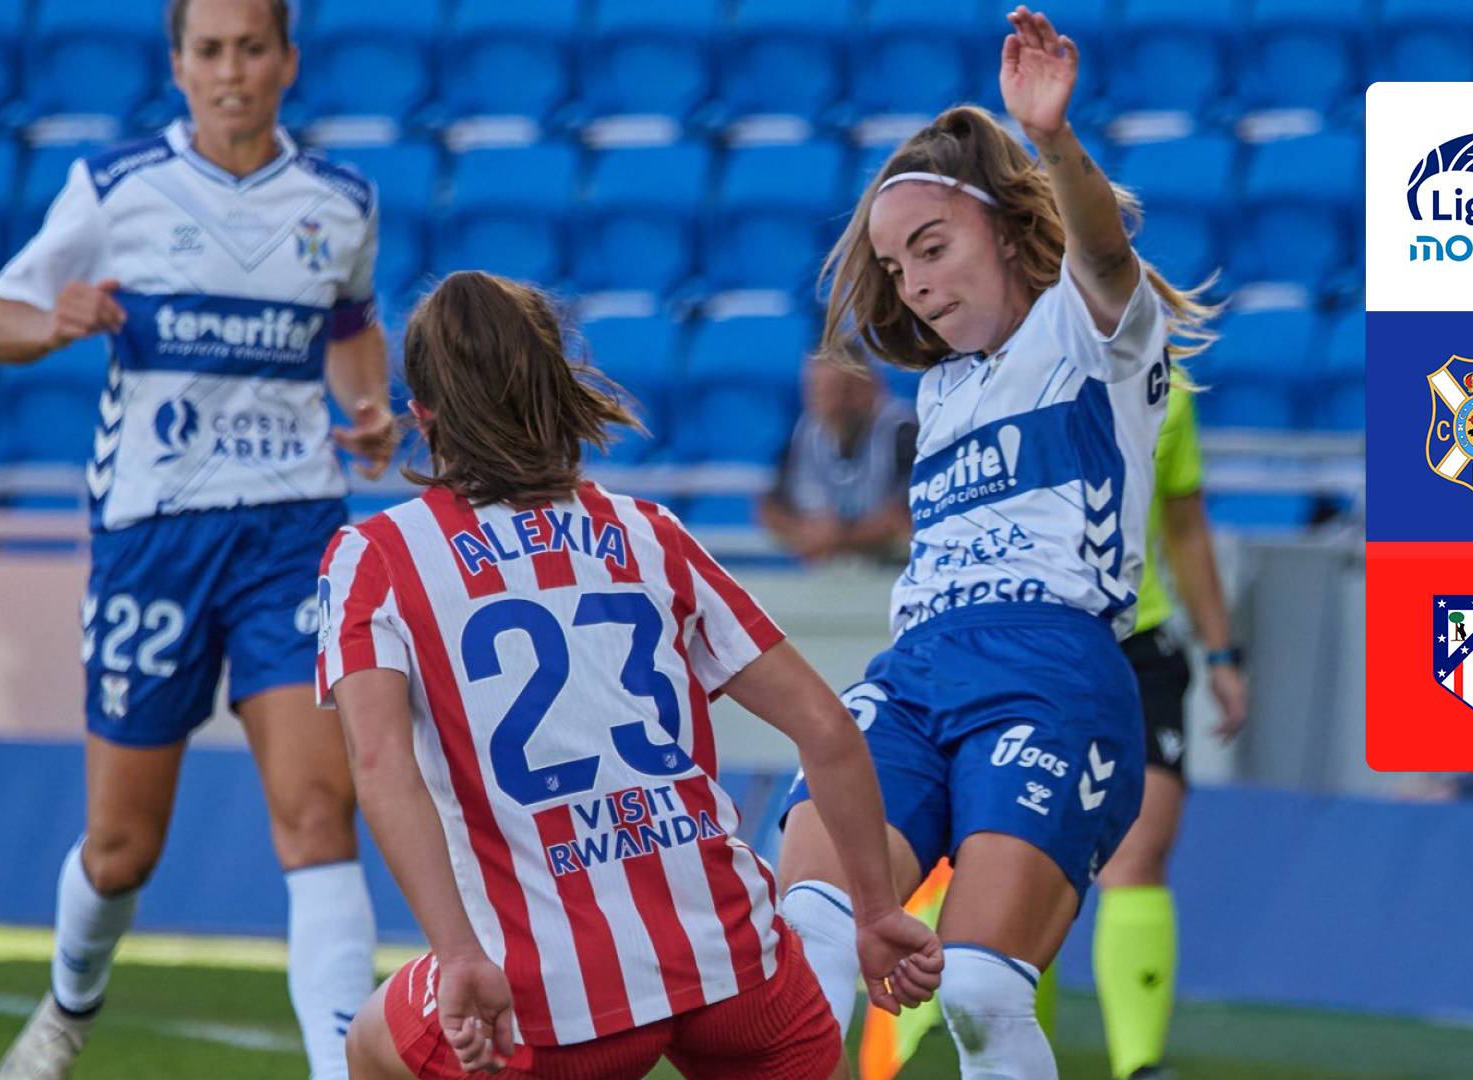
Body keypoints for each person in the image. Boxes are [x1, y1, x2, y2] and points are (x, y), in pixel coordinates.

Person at [323, 271, 942, 1080]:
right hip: (727, 957)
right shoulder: (650, 532)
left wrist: (460, 953)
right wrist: (877, 911)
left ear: (423, 412)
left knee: (369, 1047)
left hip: (543, 994)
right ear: (559, 387)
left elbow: (381, 766)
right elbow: (828, 729)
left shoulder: (376, 556)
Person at [773, 9, 1218, 1079]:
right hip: (916, 671)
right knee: (803, 940)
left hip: (1053, 674)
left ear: (1010, 234)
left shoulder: (1090, 330)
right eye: (897, 266)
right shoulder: (937, 391)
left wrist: (1051, 140)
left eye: (933, 247)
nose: (916, 282)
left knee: (977, 990)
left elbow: (1101, 248)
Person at [0, 2, 396, 1077]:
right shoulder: (114, 187)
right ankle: (70, 1003)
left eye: (251, 48)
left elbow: (350, 325)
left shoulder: (342, 202)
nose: (231, 71)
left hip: (294, 532)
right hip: (153, 537)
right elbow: (3, 319)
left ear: (287, 62)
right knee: (123, 851)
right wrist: (56, 321)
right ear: (178, 66)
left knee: (319, 811)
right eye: (209, 50)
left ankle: (341, 1066)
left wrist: (368, 411)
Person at [1091, 382, 1247, 1080]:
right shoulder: (1012, 361)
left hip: (1141, 647)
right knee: (1024, 862)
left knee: (1140, 852)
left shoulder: (1169, 390)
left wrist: (1222, 654)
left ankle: (1139, 1064)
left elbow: (1185, 526)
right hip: (1040, 643)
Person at [759, 348, 916, 564]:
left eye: (844, 390)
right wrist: (801, 532)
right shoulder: (805, 433)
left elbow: (905, 518)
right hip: (826, 568)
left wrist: (837, 539)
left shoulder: (905, 434)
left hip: (896, 568)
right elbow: (770, 507)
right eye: (820, 392)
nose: (833, 404)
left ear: (873, 386)